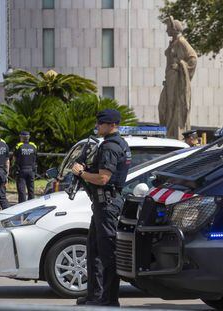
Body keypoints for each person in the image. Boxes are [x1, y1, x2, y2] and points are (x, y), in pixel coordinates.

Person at [72, 109, 131, 306]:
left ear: (112, 125)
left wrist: (82, 173)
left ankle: (109, 300)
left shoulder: (111, 147)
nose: (97, 126)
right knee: (94, 250)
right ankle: (95, 295)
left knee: (107, 253)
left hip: (107, 205)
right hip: (103, 204)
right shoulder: (116, 143)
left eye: (101, 123)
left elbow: (103, 178)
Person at [158, 16, 198, 139]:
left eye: (168, 28)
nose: (166, 31)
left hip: (177, 81)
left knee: (176, 107)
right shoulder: (174, 43)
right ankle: (169, 134)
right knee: (164, 107)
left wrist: (180, 66)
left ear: (174, 29)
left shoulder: (181, 42)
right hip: (170, 80)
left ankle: (177, 135)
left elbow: (193, 59)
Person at [14, 131, 37, 203]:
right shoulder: (33, 146)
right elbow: (35, 157)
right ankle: (31, 205)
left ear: (21, 137)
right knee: (31, 190)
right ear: (28, 137)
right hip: (31, 170)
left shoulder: (18, 146)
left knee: (22, 190)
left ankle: (22, 206)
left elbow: (15, 158)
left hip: (21, 170)